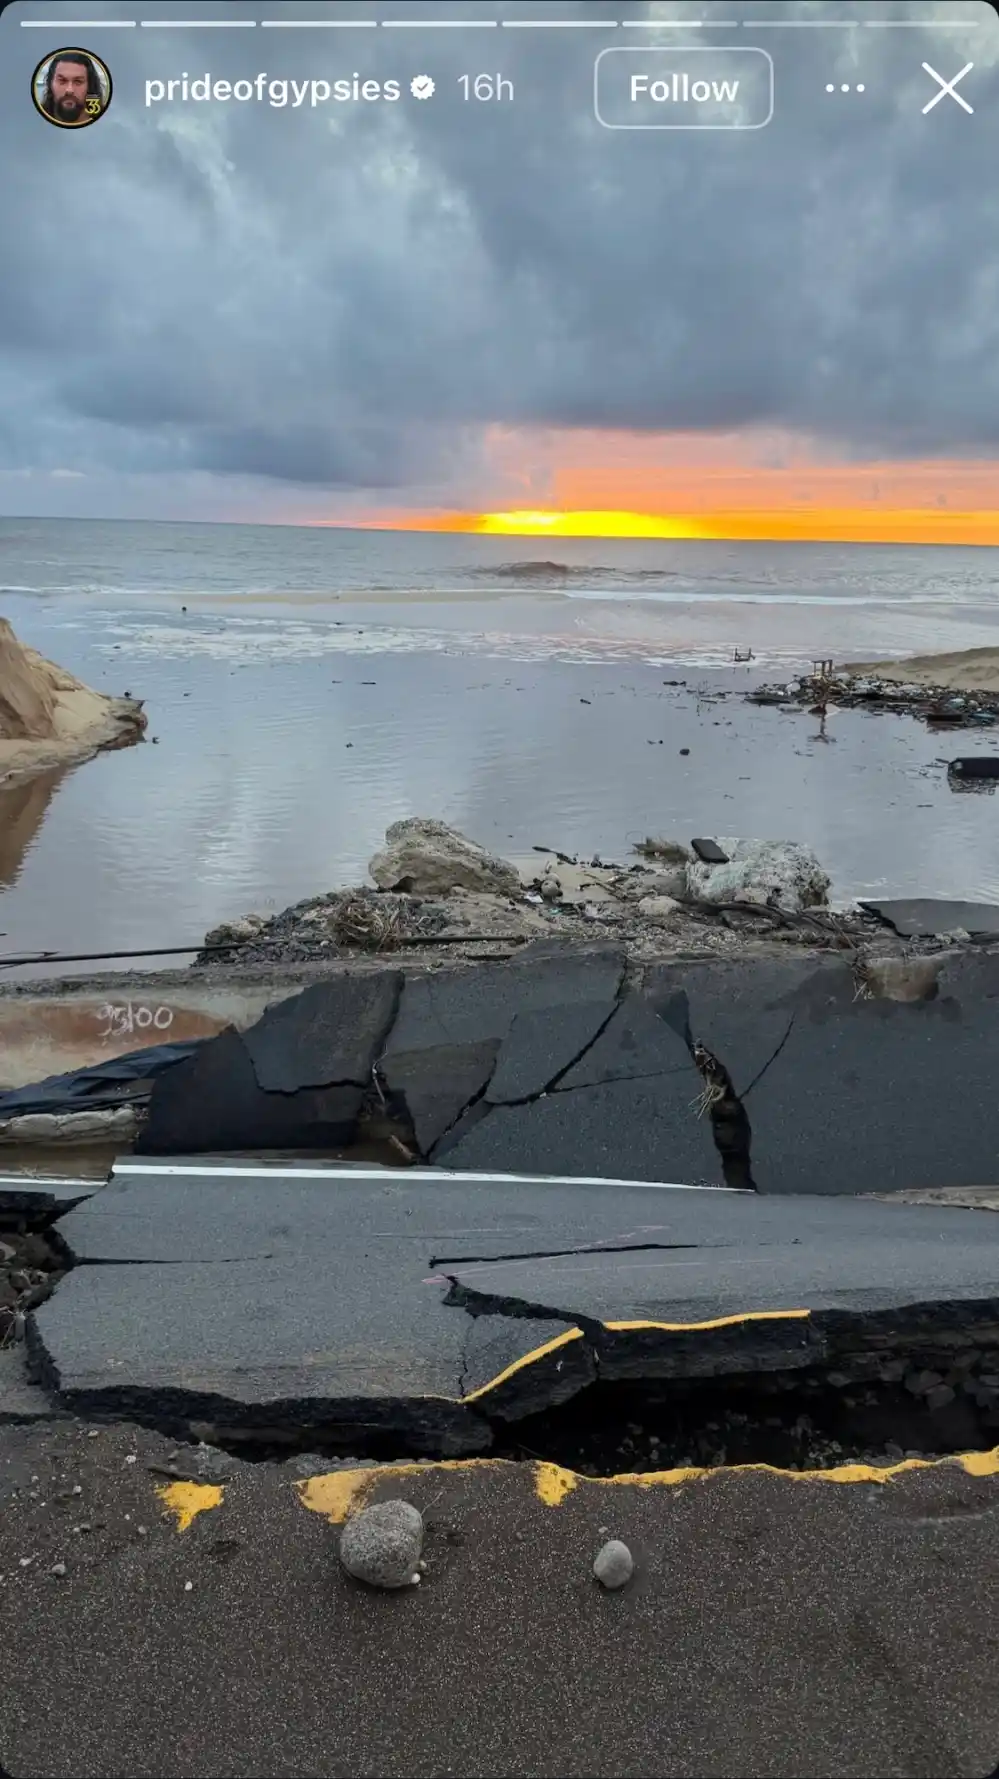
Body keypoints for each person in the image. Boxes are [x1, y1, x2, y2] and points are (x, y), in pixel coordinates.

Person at [37, 51, 107, 127]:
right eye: (62, 81)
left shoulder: (105, 123)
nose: (69, 90)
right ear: (50, 83)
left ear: (89, 85)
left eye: (78, 81)